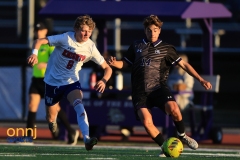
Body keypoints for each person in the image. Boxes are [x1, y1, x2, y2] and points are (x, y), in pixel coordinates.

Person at [107, 15, 212, 157]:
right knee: (146, 121)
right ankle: (165, 146)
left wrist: (200, 79)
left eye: (155, 30)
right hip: (140, 92)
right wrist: (115, 64)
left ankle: (182, 136)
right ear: (145, 30)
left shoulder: (167, 48)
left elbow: (184, 65)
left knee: (174, 108)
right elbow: (124, 64)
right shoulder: (136, 45)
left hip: (158, 88)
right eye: (149, 30)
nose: (152, 33)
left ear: (159, 31)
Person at [27, 15, 112, 151]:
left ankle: (86, 138)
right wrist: (34, 54)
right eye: (83, 30)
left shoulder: (90, 47)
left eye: (89, 31)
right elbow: (39, 41)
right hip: (52, 82)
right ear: (76, 29)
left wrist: (104, 80)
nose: (86, 34)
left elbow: (108, 68)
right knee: (50, 117)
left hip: (71, 82)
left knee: (79, 105)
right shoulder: (66, 38)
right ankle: (52, 122)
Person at [26, 22, 79, 145]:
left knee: (55, 109)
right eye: (36, 30)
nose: (38, 32)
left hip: (48, 80)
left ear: (45, 32)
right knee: (31, 106)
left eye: (41, 30)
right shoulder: (35, 45)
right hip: (36, 80)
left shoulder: (50, 46)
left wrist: (43, 64)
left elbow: (56, 61)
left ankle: (71, 131)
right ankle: (28, 137)